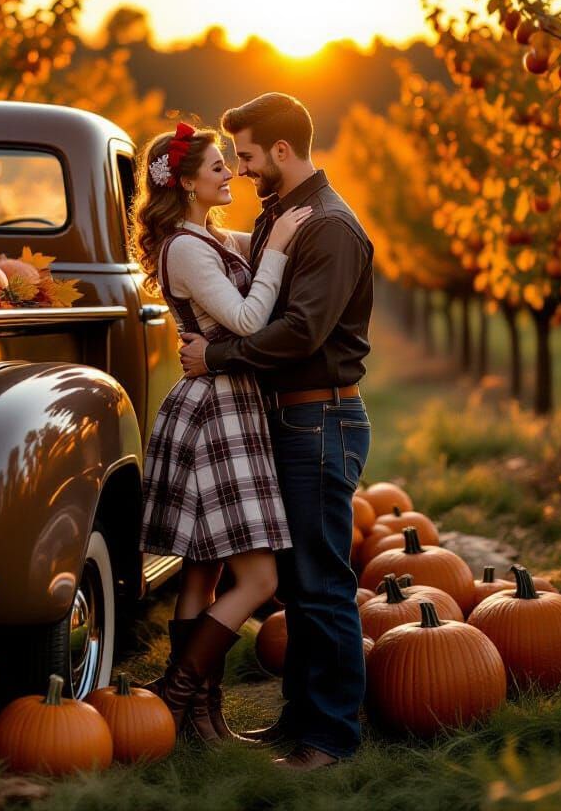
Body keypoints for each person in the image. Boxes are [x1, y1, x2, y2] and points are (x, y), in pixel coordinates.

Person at [179, 92, 374, 771]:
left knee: (321, 583)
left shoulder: (330, 227)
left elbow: (300, 332)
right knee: (298, 582)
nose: (241, 168)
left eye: (248, 155)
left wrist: (217, 356)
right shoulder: (283, 217)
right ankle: (302, 718)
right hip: (293, 417)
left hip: (320, 418)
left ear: (282, 151)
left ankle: (332, 739)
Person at [132, 120, 311, 743]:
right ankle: (176, 693)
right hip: (218, 412)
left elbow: (253, 252)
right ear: (186, 183)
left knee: (202, 572)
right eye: (216, 166)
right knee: (259, 580)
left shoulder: (207, 236)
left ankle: (200, 722)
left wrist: (279, 227)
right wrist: (279, 246)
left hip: (227, 402)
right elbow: (246, 319)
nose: (229, 172)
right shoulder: (185, 248)